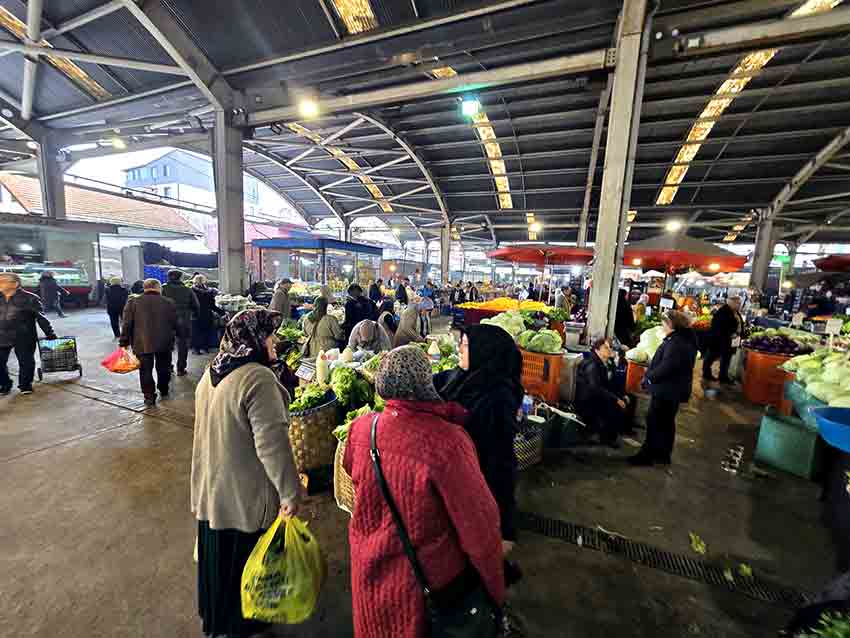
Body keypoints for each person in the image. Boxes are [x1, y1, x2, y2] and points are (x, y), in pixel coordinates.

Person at [343, 346, 505, 638]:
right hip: (424, 591)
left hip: (369, 572)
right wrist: (494, 592)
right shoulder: (447, 442)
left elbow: (350, 468)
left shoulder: (362, 429)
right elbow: (480, 529)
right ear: (425, 382)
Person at [191, 308, 300, 638]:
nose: (275, 340)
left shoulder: (213, 371)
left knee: (219, 565)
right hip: (244, 496)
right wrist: (290, 493)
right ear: (253, 338)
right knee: (244, 568)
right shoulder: (257, 378)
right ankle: (242, 626)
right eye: (269, 335)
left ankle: (220, 622)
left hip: (213, 489)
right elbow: (272, 445)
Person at [434, 325, 524, 557]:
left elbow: (502, 464)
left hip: (477, 479)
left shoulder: (497, 399)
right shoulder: (463, 376)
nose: (459, 349)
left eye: (465, 345)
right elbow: (436, 381)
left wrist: (506, 528)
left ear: (484, 352)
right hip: (456, 474)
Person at [630, 310, 698, 466]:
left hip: (667, 390)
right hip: (673, 390)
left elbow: (667, 367)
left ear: (671, 324)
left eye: (664, 324)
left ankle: (647, 456)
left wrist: (649, 378)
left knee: (655, 421)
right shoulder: (685, 339)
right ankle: (662, 454)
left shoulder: (676, 343)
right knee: (666, 422)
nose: (662, 327)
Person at [120, 279, 178, 406]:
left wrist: (124, 341)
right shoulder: (168, 302)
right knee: (164, 367)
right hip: (164, 341)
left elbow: (127, 323)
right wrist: (180, 335)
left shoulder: (133, 302)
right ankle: (164, 389)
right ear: (158, 288)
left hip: (142, 342)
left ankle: (149, 396)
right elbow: (175, 322)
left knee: (145, 370)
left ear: (144, 288)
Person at [0, 272, 56, 396]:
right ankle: (5, 384)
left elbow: (41, 317)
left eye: (2, 282)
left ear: (15, 284)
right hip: (2, 335)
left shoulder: (30, 298)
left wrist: (50, 333)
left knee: (26, 361)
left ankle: (25, 385)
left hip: (23, 335)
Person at [575, 336, 632, 447]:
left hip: (601, 394)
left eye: (610, 347)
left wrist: (622, 395)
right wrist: (615, 399)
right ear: (597, 350)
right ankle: (607, 438)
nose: (609, 350)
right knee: (614, 405)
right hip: (589, 400)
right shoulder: (592, 365)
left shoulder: (608, 362)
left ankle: (619, 431)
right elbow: (595, 388)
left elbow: (614, 383)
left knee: (628, 398)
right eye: (605, 348)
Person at [162, 270, 199, 377]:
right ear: (180, 278)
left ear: (168, 277)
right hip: (184, 319)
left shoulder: (163, 289)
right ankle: (181, 369)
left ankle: (168, 366)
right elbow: (196, 305)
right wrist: (195, 315)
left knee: (167, 344)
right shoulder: (187, 290)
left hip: (166, 320)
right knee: (183, 344)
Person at [703, 296, 743, 383]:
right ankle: (706, 373)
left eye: (740, 303)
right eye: (738, 303)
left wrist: (738, 334)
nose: (740, 305)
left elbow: (738, 323)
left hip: (731, 341)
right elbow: (718, 327)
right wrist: (730, 334)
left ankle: (723, 376)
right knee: (711, 357)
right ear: (732, 303)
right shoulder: (723, 311)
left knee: (726, 359)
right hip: (719, 340)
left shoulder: (735, 312)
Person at [191, 275, 225, 354]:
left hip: (196, 314)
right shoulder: (209, 291)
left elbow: (190, 303)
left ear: (194, 281)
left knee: (196, 332)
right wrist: (222, 313)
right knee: (206, 332)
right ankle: (206, 348)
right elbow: (212, 306)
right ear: (204, 281)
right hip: (207, 314)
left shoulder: (191, 291)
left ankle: (196, 349)